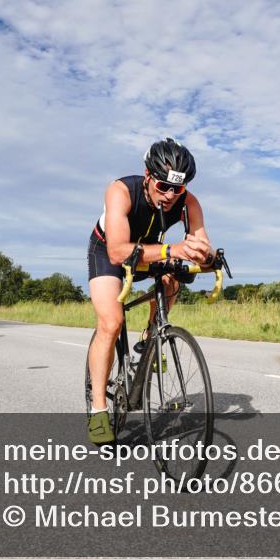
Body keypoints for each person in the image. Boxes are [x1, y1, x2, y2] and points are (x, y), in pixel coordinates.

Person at [86, 138, 213, 444]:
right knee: (111, 323)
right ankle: (99, 410)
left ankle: (149, 339)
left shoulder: (189, 203)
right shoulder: (120, 191)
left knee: (174, 277)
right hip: (108, 252)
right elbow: (118, 252)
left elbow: (202, 247)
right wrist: (174, 249)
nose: (170, 195)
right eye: (162, 186)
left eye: (177, 189)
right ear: (147, 176)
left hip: (151, 251)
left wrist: (206, 256)